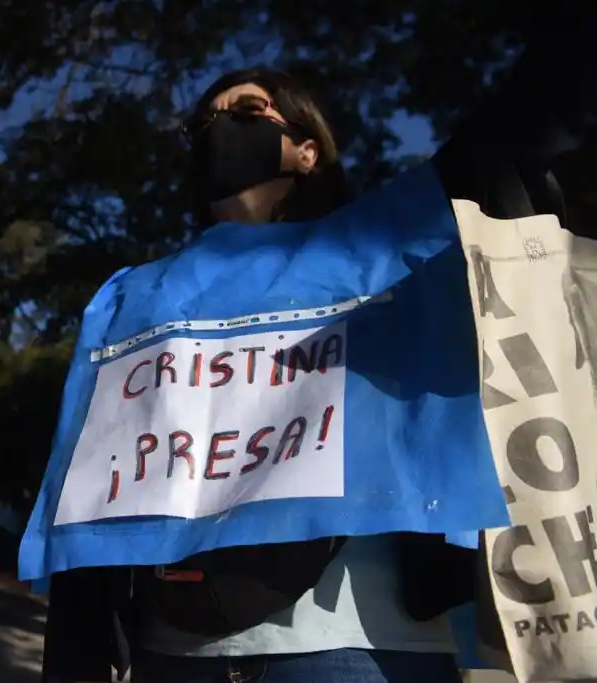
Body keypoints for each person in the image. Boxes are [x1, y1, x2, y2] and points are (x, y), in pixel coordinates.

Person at [41, 25, 593, 680]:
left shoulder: (390, 244)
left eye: (247, 113)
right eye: (204, 122)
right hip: (174, 651)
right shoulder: (136, 295)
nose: (220, 129)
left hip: (357, 645)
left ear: (306, 150)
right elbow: (93, 485)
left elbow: (524, 123)